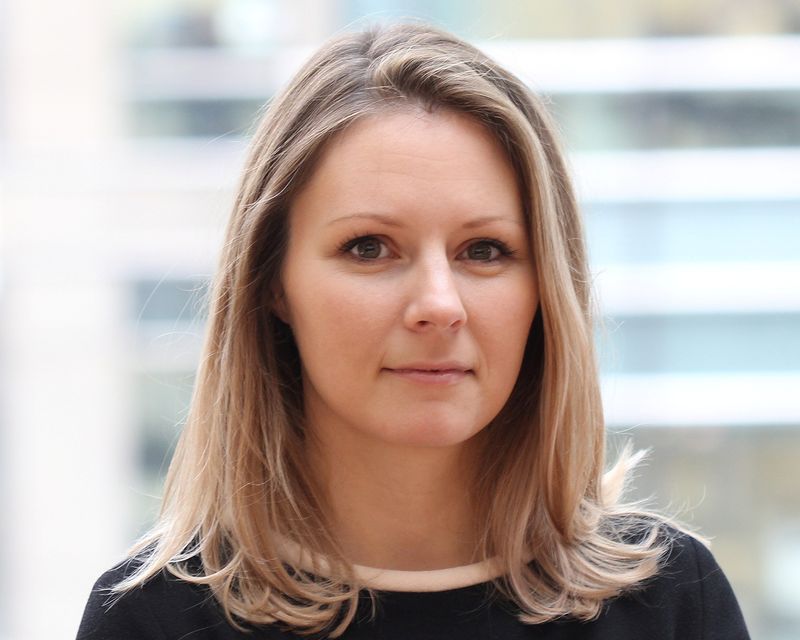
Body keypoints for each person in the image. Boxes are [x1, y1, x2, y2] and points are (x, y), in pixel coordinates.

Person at [77, 22, 749, 639]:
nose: (438, 304)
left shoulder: (670, 602)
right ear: (272, 283)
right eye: (369, 247)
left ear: (545, 289)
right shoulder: (150, 619)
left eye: (484, 251)